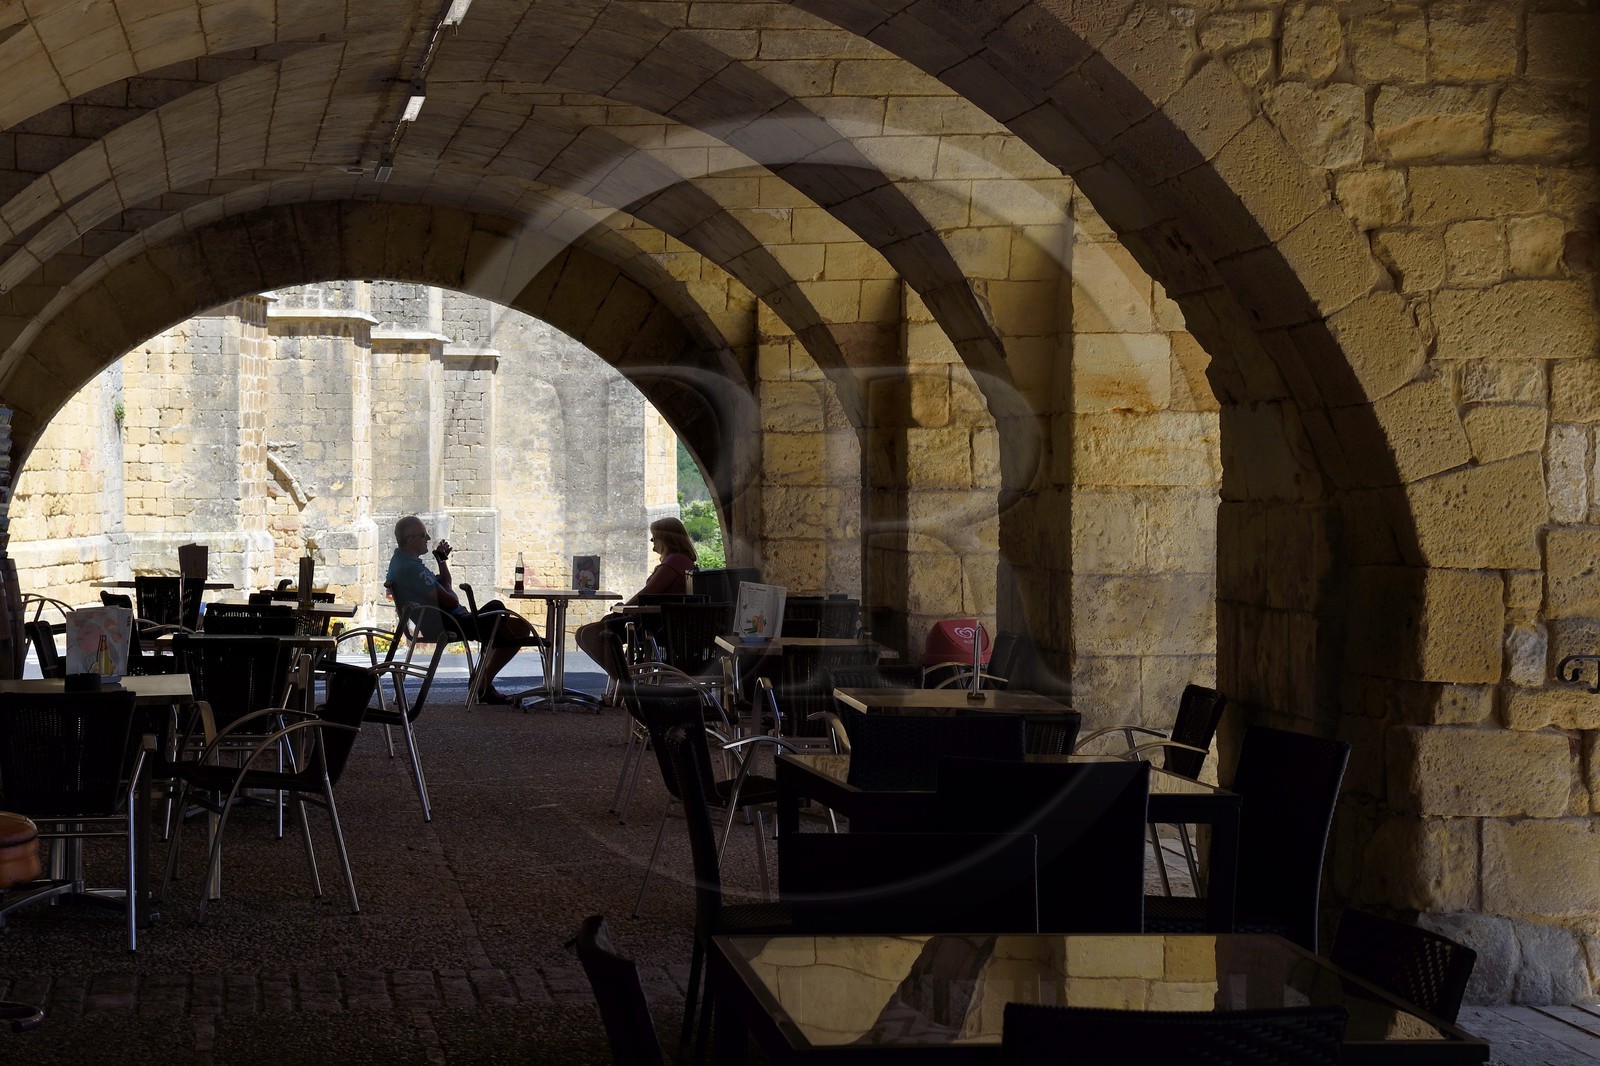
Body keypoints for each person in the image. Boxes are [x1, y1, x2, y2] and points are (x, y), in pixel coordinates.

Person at [386, 515, 537, 706]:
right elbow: (451, 599)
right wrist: (447, 592)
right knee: (502, 617)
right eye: (424, 534)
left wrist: (442, 560)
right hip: (448, 623)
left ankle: (483, 683)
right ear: (410, 539)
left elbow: (446, 585)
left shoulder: (404, 562)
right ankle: (482, 685)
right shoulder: (411, 569)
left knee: (511, 623)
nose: (428, 538)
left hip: (448, 619)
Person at [574, 516, 698, 681]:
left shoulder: (674, 562)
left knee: (590, 633)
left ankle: (623, 680)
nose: (652, 542)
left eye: (655, 538)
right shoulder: (682, 561)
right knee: (590, 631)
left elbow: (648, 593)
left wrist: (623, 608)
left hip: (657, 626)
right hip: (662, 623)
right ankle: (622, 678)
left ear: (665, 539)